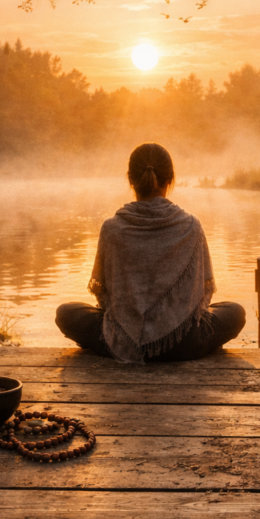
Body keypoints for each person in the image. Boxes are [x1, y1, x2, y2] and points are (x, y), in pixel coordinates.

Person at [56, 143, 245, 363]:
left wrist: (128, 321)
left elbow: (104, 295)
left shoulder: (111, 228)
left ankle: (128, 344)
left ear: (130, 179)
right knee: (235, 312)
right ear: (170, 179)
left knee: (66, 313)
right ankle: (168, 344)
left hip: (126, 341)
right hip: (184, 342)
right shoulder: (192, 226)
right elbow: (202, 294)